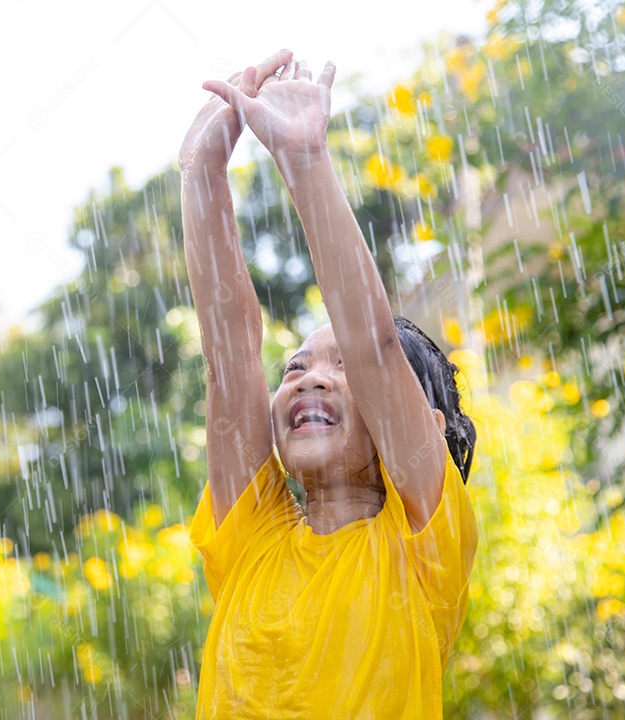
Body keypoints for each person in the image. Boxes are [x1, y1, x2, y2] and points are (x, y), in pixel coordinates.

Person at [179, 50, 478, 718]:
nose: (310, 378)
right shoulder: (250, 538)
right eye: (297, 368)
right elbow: (229, 357)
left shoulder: (420, 549)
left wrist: (304, 158)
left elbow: (373, 343)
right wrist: (200, 173)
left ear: (421, 427)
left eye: (343, 371)